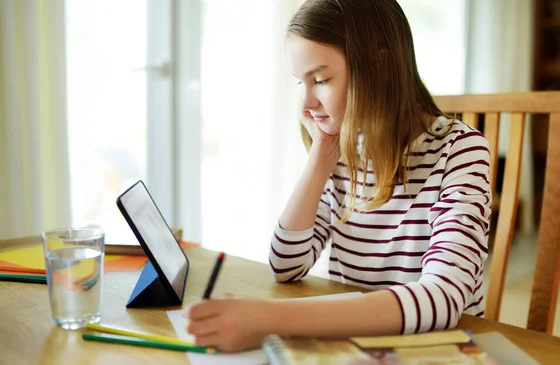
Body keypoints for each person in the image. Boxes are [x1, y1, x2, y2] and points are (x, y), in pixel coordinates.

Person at [185, 0, 491, 353]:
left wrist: (270, 319)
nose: (306, 104)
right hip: (352, 347)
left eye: (321, 79)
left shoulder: (460, 150)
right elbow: (287, 264)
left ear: (381, 65)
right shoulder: (347, 151)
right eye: (302, 82)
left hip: (433, 352)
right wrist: (321, 157)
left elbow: (443, 298)